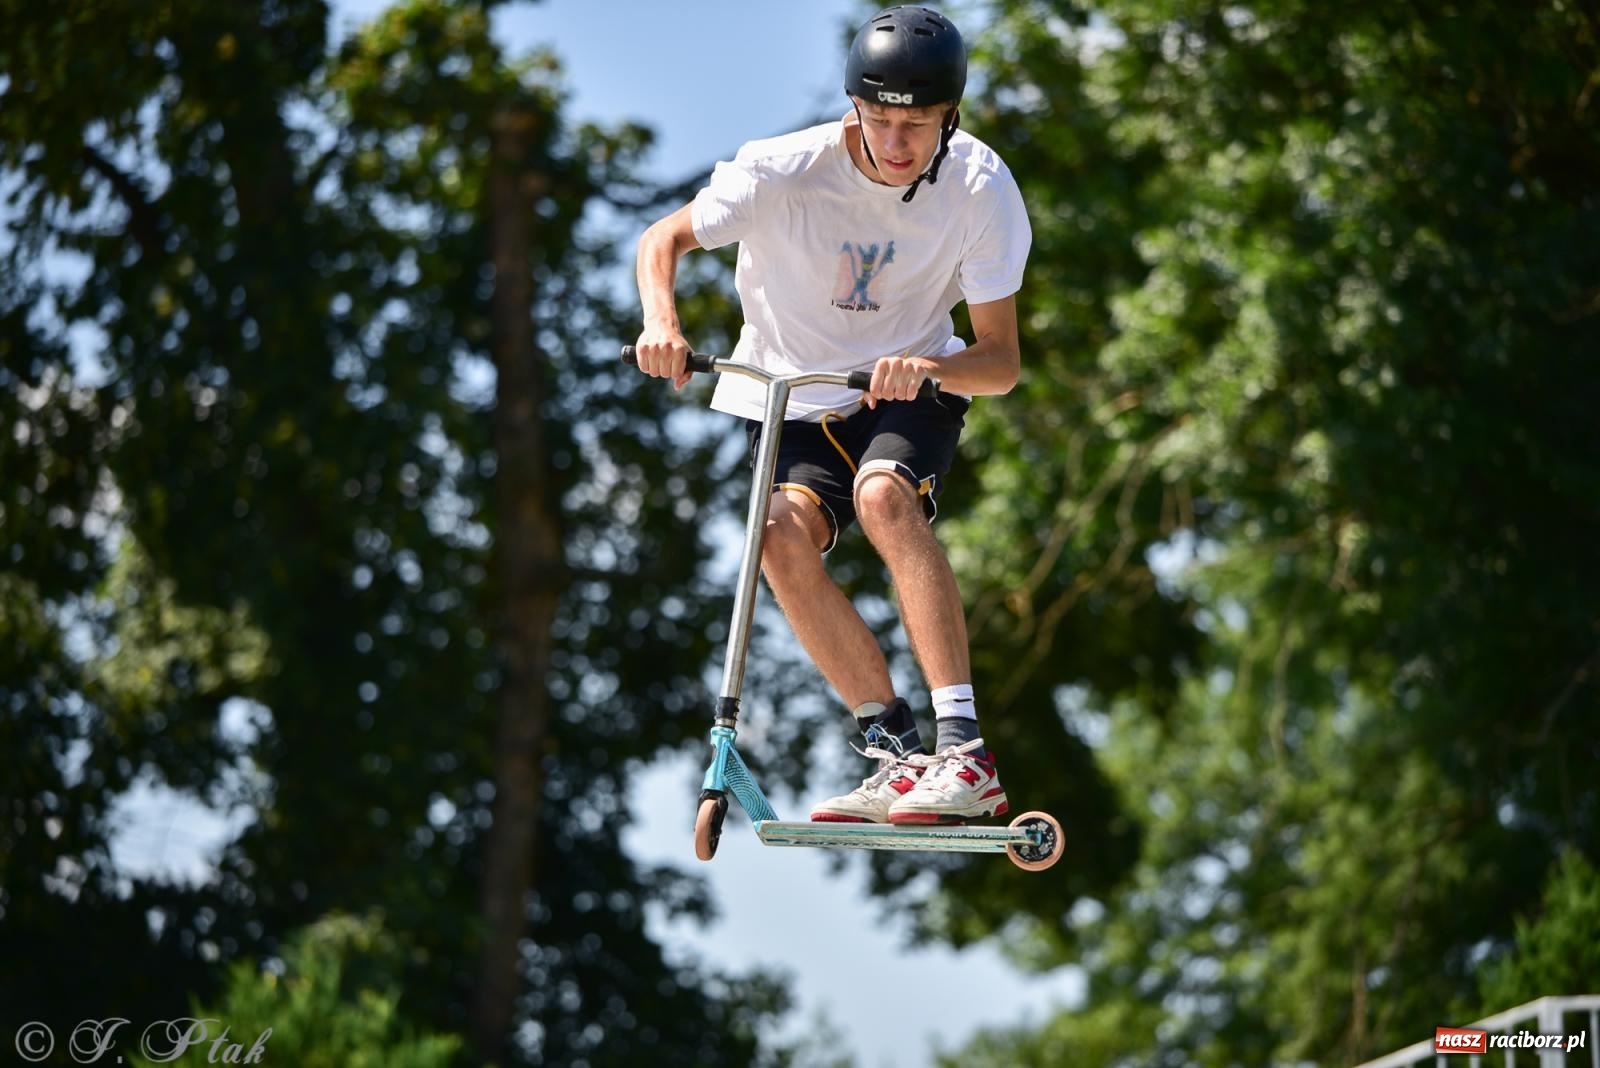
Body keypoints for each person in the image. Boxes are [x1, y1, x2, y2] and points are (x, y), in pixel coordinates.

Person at [631, 5, 1031, 825]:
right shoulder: (783, 170)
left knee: (887, 496)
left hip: (906, 391)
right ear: (855, 108)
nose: (896, 144)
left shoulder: (980, 188)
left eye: (917, 125)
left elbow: (1000, 361)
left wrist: (928, 367)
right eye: (880, 121)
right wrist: (662, 323)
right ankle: (893, 752)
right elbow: (661, 240)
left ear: (949, 116)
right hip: (791, 394)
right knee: (773, 535)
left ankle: (963, 753)